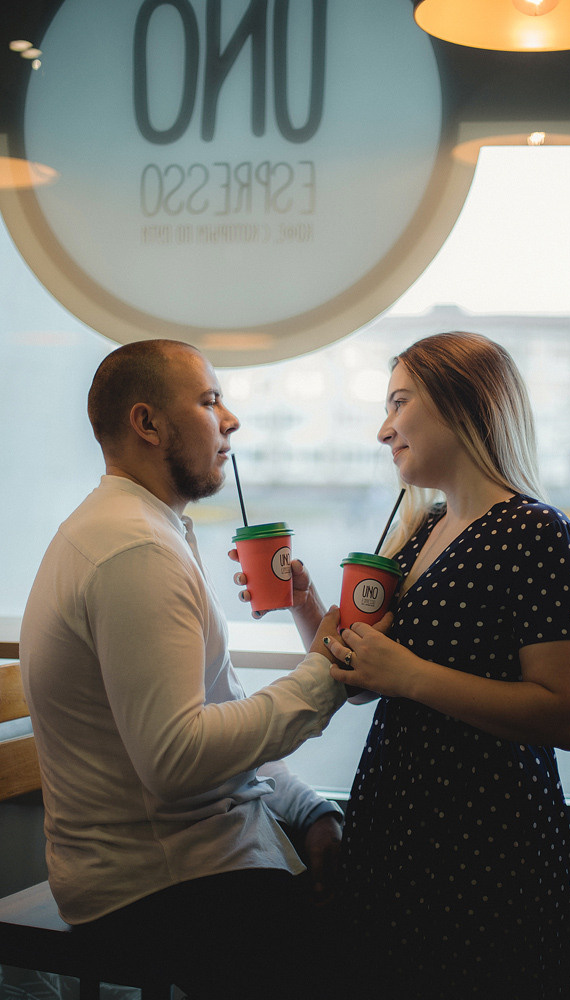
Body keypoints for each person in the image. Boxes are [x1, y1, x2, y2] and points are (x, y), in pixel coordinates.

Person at [19, 338, 349, 999]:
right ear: (147, 424)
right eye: (208, 401)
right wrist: (327, 676)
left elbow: (216, 719)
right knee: (366, 939)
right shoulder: (134, 549)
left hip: (183, 860)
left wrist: (307, 808)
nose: (230, 421)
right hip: (151, 885)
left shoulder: (148, 529)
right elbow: (175, 760)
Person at [322, 331, 570, 1000]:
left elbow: (563, 713)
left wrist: (405, 675)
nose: (384, 429)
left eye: (398, 402)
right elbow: (366, 680)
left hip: (485, 845)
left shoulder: (537, 531)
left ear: (462, 403)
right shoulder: (424, 527)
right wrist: (307, 606)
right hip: (397, 826)